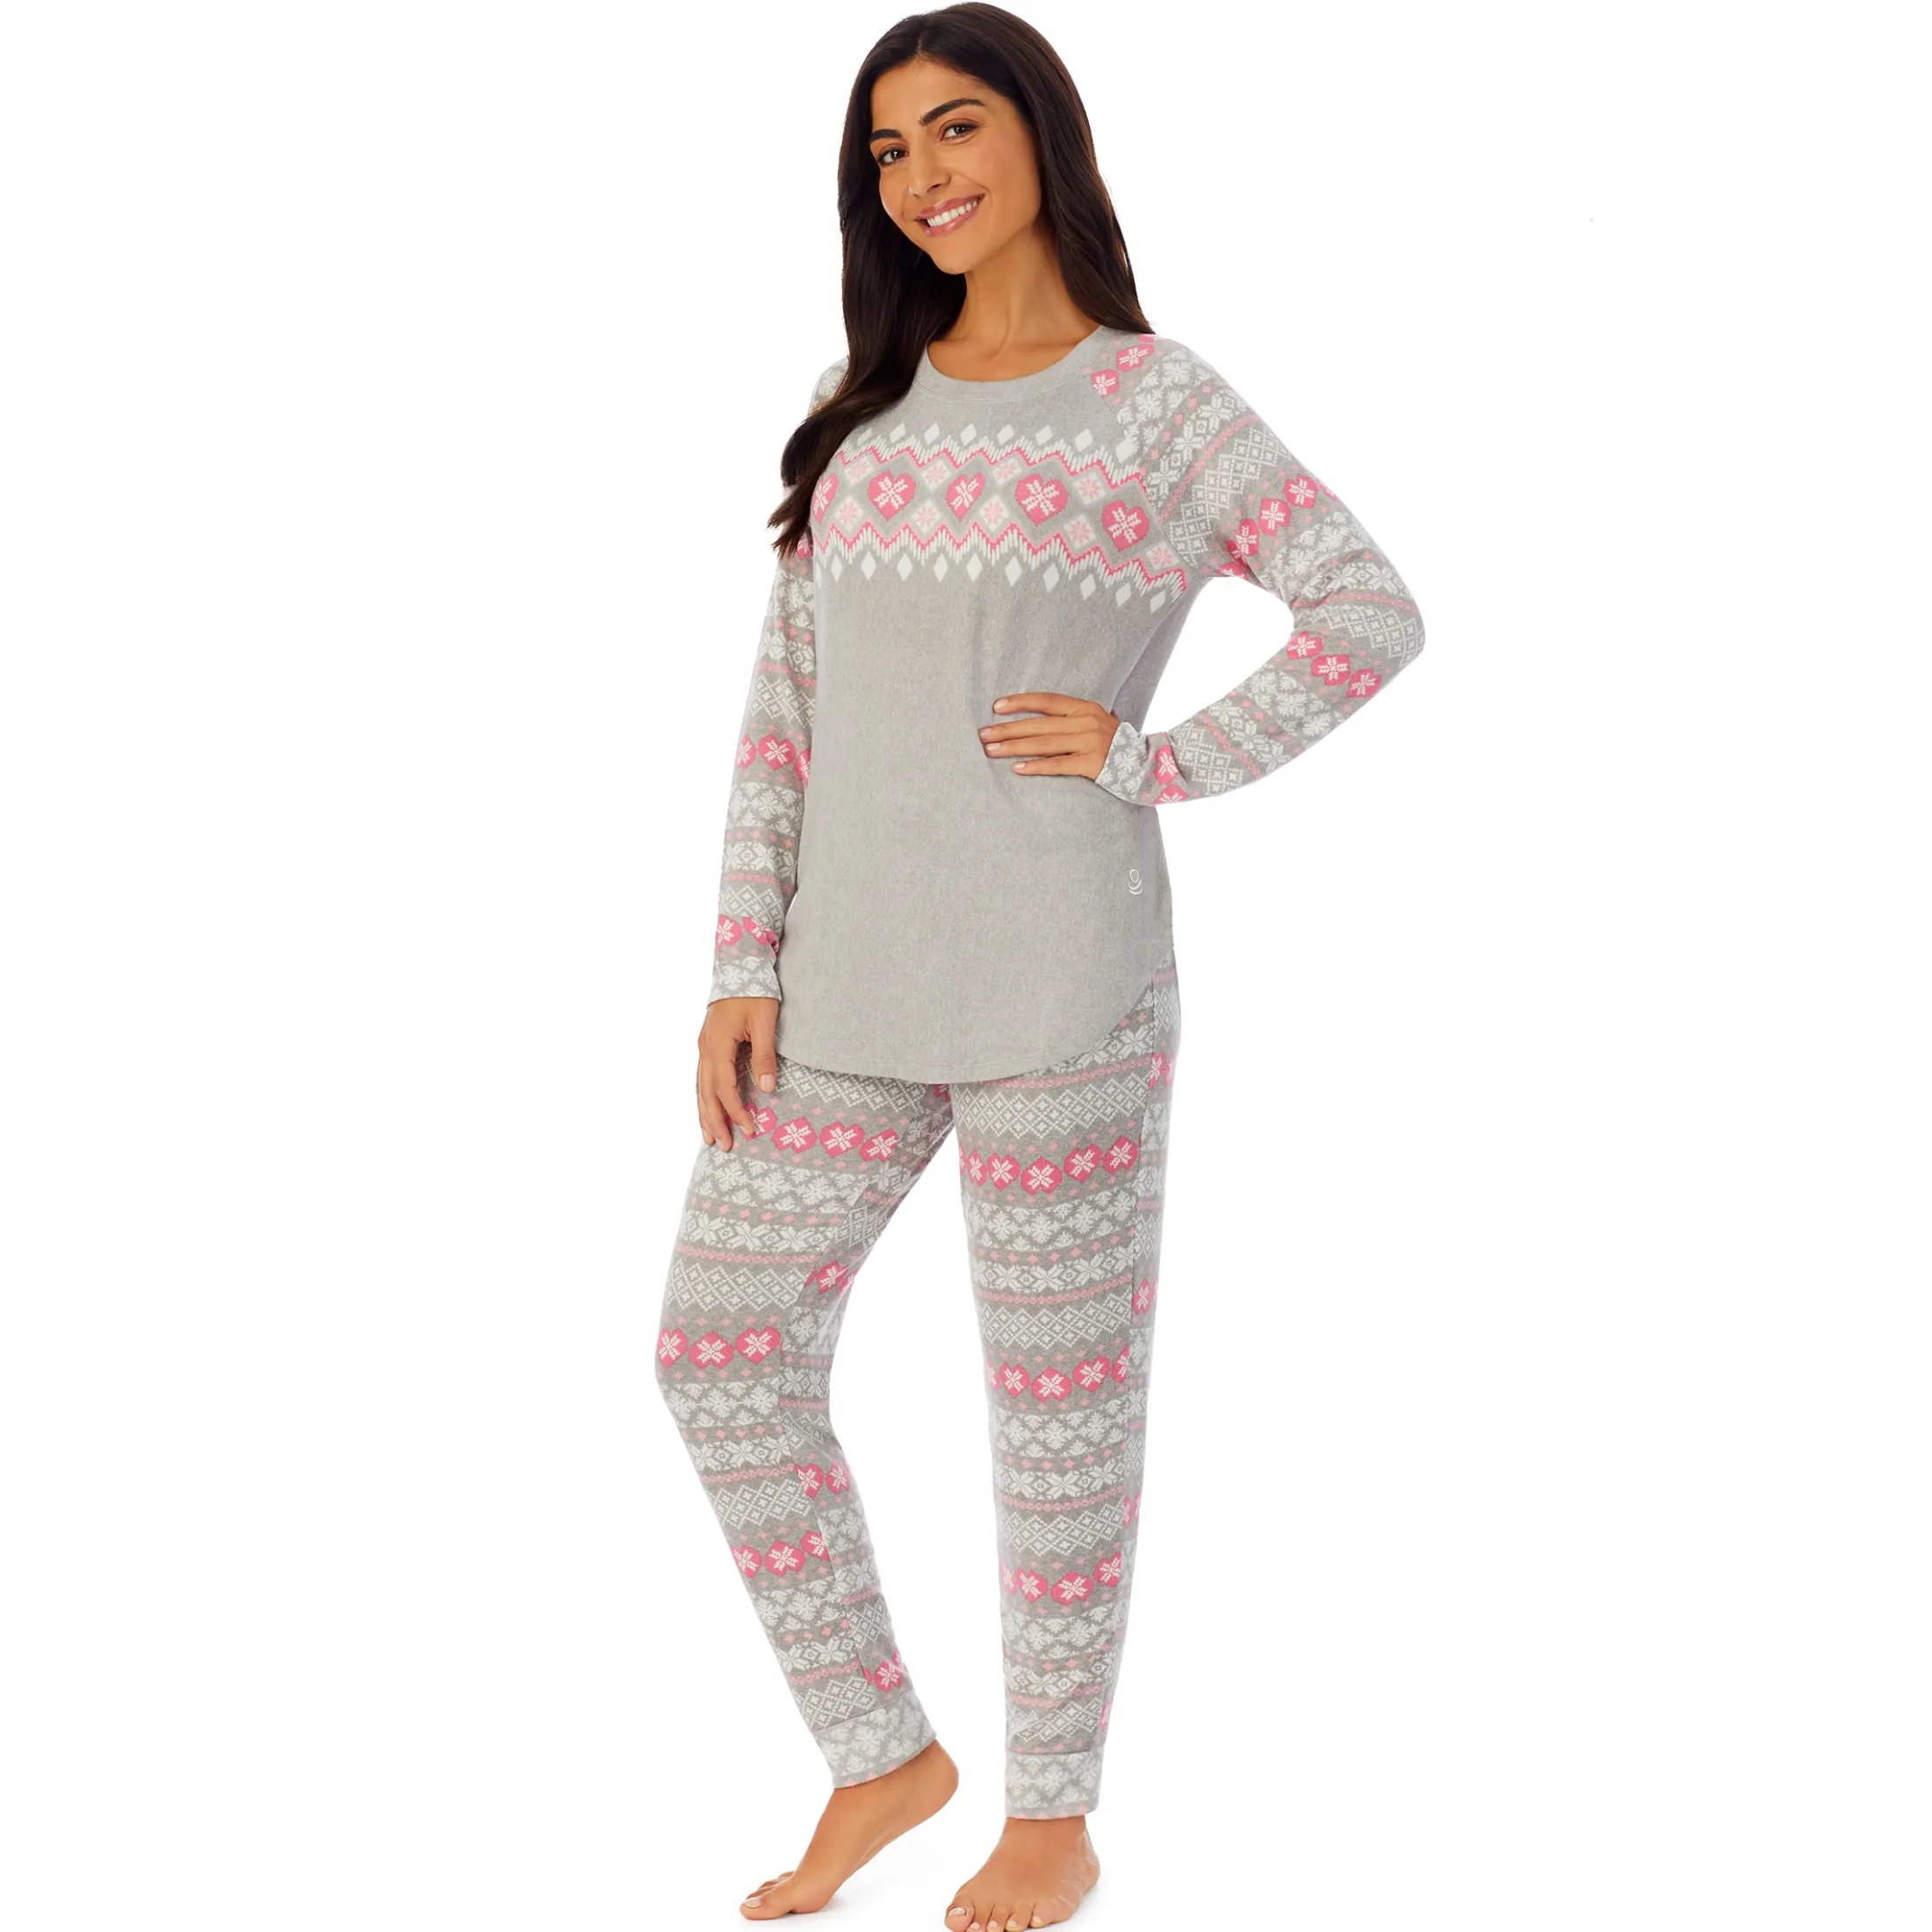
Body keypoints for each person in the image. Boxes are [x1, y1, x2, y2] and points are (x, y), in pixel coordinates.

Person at [655, 5, 1427, 1924]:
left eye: (953, 128)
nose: (921, 175)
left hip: (1062, 986)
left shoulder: (1154, 404)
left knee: (1057, 1417)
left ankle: (1052, 1815)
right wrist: (739, 962)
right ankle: (881, 1752)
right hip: (839, 992)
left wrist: (1158, 762)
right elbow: (785, 713)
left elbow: (1366, 607)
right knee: (717, 1349)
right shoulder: (860, 414)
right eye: (887, 151)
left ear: (1039, 136)